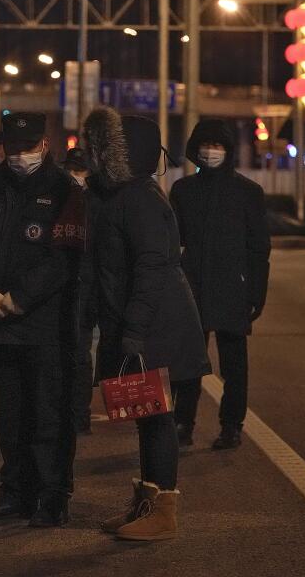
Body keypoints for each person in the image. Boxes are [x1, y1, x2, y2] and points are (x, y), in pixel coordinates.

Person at [81, 108, 209, 541]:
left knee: (158, 418)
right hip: (133, 325)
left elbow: (153, 267)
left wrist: (132, 329)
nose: (91, 157)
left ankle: (163, 511)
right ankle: (146, 504)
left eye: (100, 150)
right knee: (144, 415)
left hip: (154, 327)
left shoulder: (140, 199)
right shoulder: (114, 196)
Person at [0, 112, 84, 528]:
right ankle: (14, 492)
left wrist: (21, 298)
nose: (18, 156)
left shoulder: (64, 189)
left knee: (48, 413)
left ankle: (52, 496)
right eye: (11, 149)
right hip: (0, 321)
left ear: (45, 145)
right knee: (9, 415)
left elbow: (63, 256)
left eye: (27, 148)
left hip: (47, 323)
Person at [169, 119, 270, 450]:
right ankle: (182, 423)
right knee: (187, 362)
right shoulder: (182, 191)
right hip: (190, 288)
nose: (211, 152)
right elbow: (173, 243)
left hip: (232, 289)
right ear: (194, 149)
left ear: (228, 151)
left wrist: (256, 293)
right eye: (205, 145)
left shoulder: (248, 193)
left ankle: (231, 426)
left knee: (234, 365)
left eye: (218, 146)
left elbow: (258, 249)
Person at [62, 147, 96, 433]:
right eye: (71, 171)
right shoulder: (57, 197)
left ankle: (79, 413)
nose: (75, 177)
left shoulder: (97, 201)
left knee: (81, 352)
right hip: (60, 285)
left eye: (80, 172)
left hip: (87, 286)